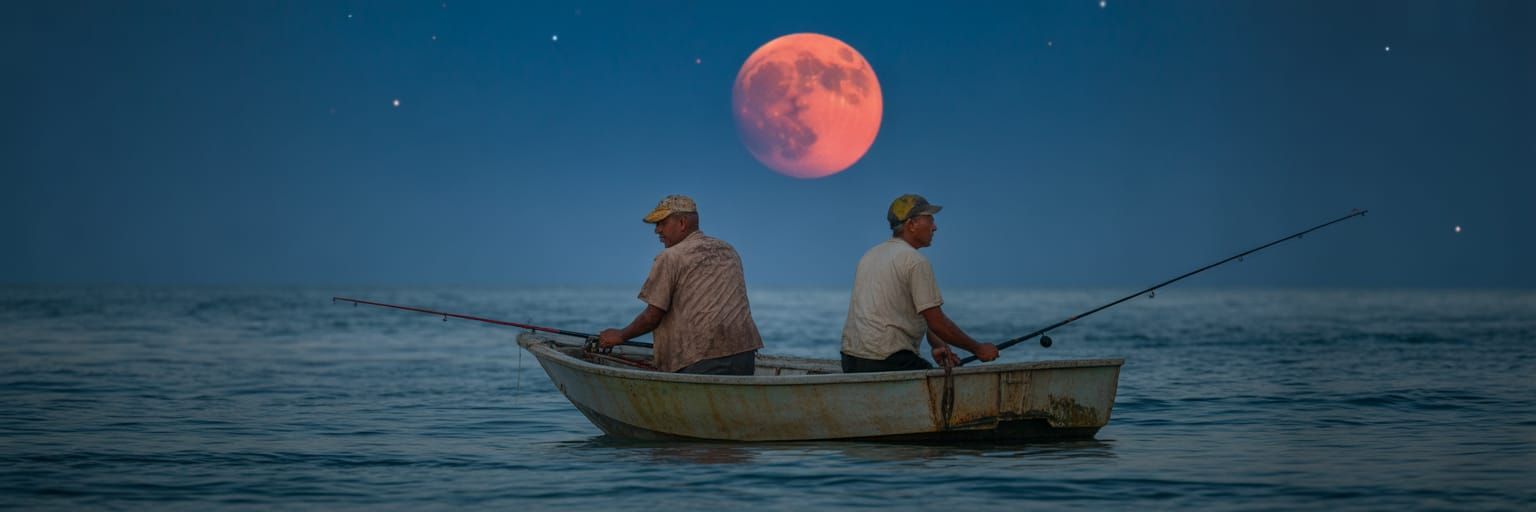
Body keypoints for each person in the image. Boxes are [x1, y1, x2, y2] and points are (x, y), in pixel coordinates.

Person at [599, 195, 763, 375]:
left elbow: (652, 316)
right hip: (744, 354)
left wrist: (620, 335)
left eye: (662, 223)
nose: (657, 231)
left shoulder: (670, 257)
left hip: (701, 359)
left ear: (682, 223)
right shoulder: (728, 250)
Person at [840, 194, 1000, 373]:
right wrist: (978, 349)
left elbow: (920, 314)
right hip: (886, 360)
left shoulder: (870, 255)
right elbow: (936, 321)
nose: (935, 227)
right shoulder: (915, 261)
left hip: (850, 360)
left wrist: (937, 345)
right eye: (929, 220)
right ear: (911, 224)